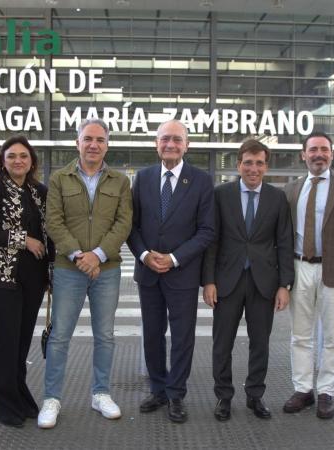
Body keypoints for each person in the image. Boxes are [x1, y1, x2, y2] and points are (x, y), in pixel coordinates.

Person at [37, 119, 132, 429]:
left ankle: (101, 393)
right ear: (77, 143)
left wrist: (98, 255)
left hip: (108, 269)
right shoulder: (60, 179)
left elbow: (123, 223)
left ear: (107, 145)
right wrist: (79, 255)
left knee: (105, 336)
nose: (94, 145)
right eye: (88, 139)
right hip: (69, 268)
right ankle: (52, 398)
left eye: (100, 140)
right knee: (60, 336)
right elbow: (54, 222)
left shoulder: (120, 181)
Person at [127, 119, 214, 424]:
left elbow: (206, 230)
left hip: (182, 273)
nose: (170, 144)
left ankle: (176, 394)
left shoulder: (202, 181)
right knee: (152, 334)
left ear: (186, 145)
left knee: (182, 337)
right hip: (148, 272)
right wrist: (144, 254)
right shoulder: (143, 178)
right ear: (156, 144)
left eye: (177, 139)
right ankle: (158, 389)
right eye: (165, 139)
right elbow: (132, 226)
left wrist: (175, 258)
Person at [201, 139, 293, 422]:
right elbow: (211, 241)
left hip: (264, 282)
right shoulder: (221, 195)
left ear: (266, 166)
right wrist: (209, 281)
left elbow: (285, 243)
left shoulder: (278, 198)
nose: (254, 169)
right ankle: (224, 397)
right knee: (222, 343)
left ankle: (255, 395)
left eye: (260, 163)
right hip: (227, 281)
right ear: (239, 164)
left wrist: (284, 285)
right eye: (248, 163)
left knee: (260, 343)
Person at [281, 131, 334, 419]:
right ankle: (303, 389)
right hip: (299, 267)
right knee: (300, 335)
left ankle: (327, 391)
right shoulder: (291, 190)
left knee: (333, 335)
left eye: (324, 149)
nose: (319, 154)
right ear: (303, 155)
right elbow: (282, 235)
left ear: (332, 154)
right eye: (313, 149)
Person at [0, 135, 54, 428]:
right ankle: (5, 404)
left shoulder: (39, 191)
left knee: (21, 342)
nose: (18, 161)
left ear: (32, 160)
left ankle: (20, 395)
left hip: (33, 277)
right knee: (7, 340)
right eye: (11, 156)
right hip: (0, 276)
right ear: (3, 161)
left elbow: (49, 235)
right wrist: (23, 239)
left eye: (23, 156)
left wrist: (51, 274)